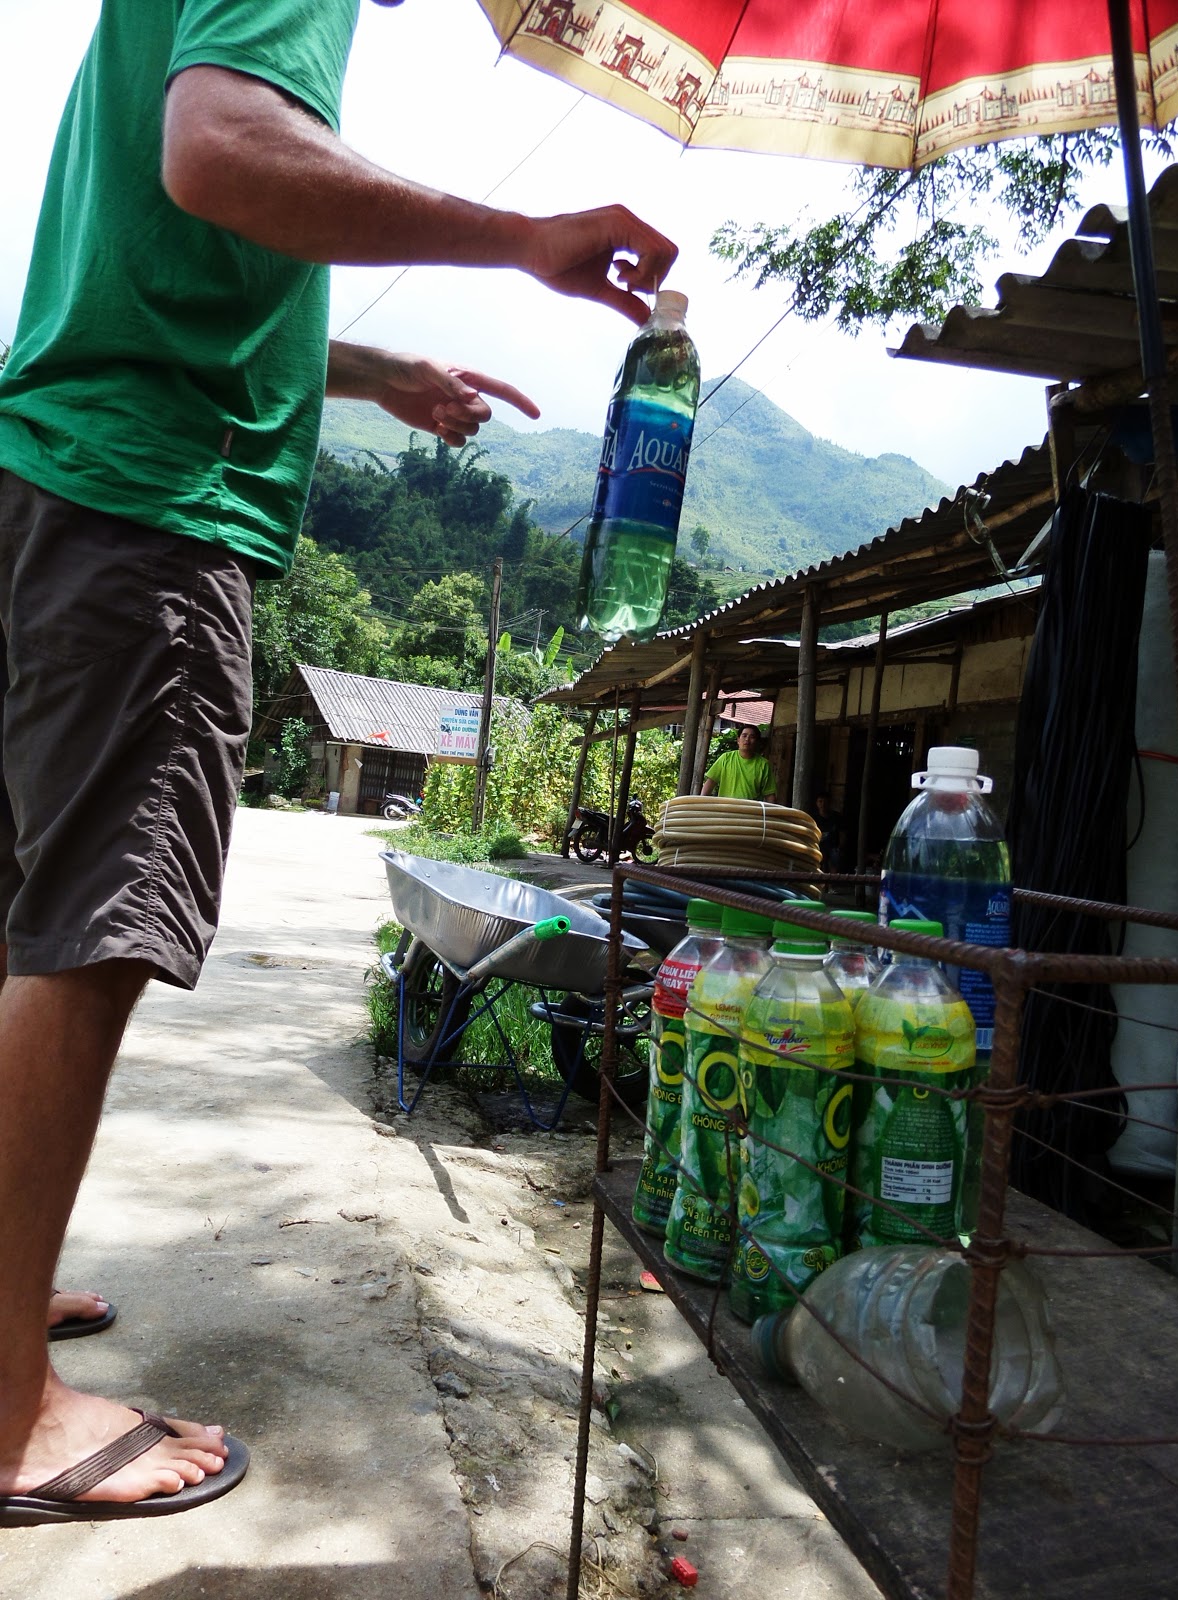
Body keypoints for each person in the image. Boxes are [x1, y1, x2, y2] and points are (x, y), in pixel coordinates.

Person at [0, 0, 677, 1525]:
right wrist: (524, 240)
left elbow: (178, 257)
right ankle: (6, 1412)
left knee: (18, 920)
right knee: (92, 932)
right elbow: (224, 158)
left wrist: (369, 371)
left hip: (44, 468)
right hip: (149, 499)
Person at [701, 725, 776, 801]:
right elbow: (710, 782)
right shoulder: (725, 758)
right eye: (744, 736)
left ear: (756, 742)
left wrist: (771, 808)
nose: (747, 739)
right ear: (738, 740)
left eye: (752, 737)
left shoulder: (763, 764)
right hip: (725, 806)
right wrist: (701, 801)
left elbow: (769, 794)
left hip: (750, 808)